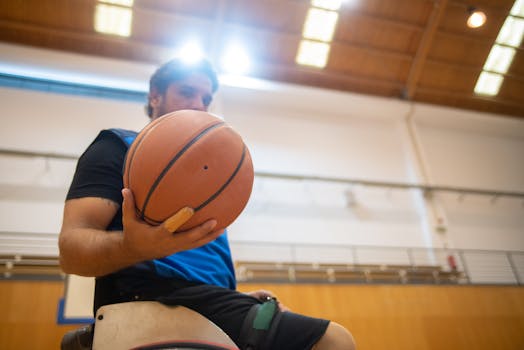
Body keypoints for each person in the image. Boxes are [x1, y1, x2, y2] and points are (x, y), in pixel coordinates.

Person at [58, 57, 355, 350]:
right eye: (187, 92)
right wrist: (133, 248)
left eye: (206, 97)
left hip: (208, 302)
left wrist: (238, 297)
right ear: (155, 96)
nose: (199, 103)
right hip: (150, 294)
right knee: (334, 341)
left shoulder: (212, 180)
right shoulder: (117, 147)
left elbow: (202, 276)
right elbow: (71, 251)